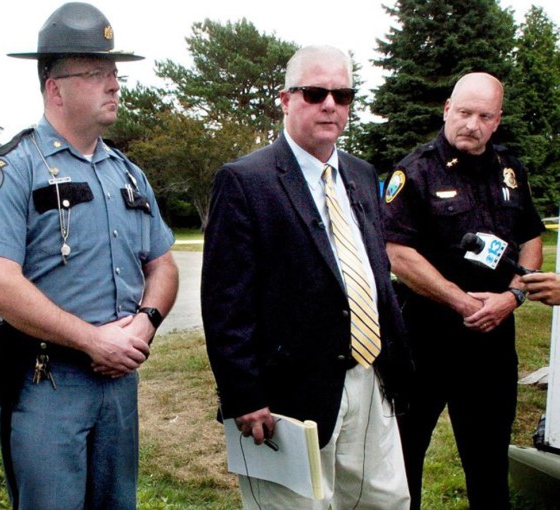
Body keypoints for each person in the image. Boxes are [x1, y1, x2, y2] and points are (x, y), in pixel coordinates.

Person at [0, 3, 178, 509]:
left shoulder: (127, 173)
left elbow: (162, 263)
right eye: (97, 73)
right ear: (55, 88)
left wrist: (145, 322)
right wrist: (90, 339)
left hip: (118, 381)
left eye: (114, 73)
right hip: (47, 382)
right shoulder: (14, 169)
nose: (114, 84)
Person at [202, 45, 413, 510]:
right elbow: (225, 302)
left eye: (343, 94)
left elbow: (373, 271)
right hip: (285, 400)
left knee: (387, 501)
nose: (330, 105)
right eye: (316, 93)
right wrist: (244, 393)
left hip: (368, 380)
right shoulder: (245, 181)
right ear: (285, 99)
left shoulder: (360, 174)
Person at [381, 72, 545, 509]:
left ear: (497, 121)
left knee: (489, 463)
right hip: (424, 339)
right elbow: (396, 252)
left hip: (492, 341)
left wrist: (512, 297)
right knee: (403, 458)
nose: (472, 124)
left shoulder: (510, 171)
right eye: (465, 112)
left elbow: (531, 240)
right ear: (447, 110)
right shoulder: (413, 170)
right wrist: (461, 301)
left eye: (484, 116)